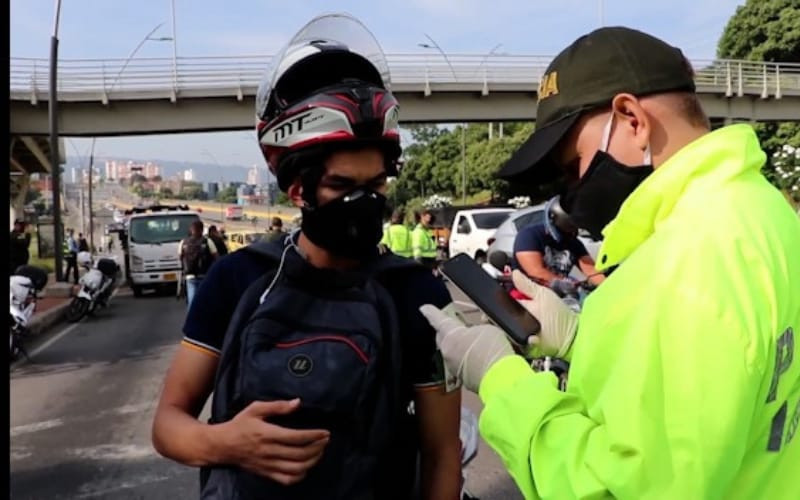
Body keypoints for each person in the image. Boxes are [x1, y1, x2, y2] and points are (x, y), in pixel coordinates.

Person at [419, 26, 800, 499]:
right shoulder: (762, 209)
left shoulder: (685, 263)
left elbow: (622, 488)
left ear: (631, 119)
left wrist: (501, 379)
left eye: (571, 162)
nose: (570, 186)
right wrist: (582, 340)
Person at [152, 13, 461, 500]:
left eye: (376, 185)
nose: (366, 201)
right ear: (298, 190)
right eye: (342, 186)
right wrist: (224, 443)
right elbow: (169, 424)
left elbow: (443, 453)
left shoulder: (418, 292)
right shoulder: (237, 280)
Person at [512, 196, 604, 301]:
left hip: (560, 296)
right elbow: (535, 272)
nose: (573, 231)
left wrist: (610, 287)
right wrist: (566, 283)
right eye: (569, 225)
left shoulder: (573, 242)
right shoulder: (529, 236)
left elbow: (591, 271)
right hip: (529, 296)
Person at [178, 220, 218, 306]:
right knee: (206, 300)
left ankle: (192, 318)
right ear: (202, 230)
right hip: (205, 275)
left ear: (191, 230)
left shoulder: (183, 242)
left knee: (192, 301)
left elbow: (180, 257)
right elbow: (216, 257)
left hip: (190, 275)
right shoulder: (207, 241)